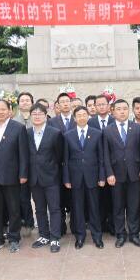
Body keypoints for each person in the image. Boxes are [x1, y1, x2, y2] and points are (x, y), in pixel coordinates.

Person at [0, 100, 29, 254]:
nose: (0, 112)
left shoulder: (18, 128)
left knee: (14, 209)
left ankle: (14, 238)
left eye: (4, 109)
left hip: (12, 176)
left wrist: (23, 173)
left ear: (10, 111)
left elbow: (23, 153)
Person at [103, 99, 140, 248]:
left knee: (134, 206)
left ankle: (134, 234)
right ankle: (120, 234)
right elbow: (105, 155)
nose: (122, 111)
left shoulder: (137, 128)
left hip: (134, 173)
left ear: (129, 111)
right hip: (116, 175)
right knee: (118, 206)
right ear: (113, 111)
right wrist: (109, 173)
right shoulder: (107, 130)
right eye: (119, 109)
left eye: (125, 109)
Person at [63, 106, 105, 249]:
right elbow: (66, 160)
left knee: (95, 208)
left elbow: (101, 158)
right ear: (74, 118)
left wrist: (101, 176)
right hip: (75, 179)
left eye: (84, 115)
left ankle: (97, 237)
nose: (81, 117)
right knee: (77, 209)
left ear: (88, 117)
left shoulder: (97, 134)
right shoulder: (68, 135)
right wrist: (67, 179)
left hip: (93, 177)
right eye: (78, 115)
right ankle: (80, 237)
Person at [28, 103, 63, 253]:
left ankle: (55, 237)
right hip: (34, 178)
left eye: (39, 113)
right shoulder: (27, 133)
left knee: (54, 209)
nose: (37, 116)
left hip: (51, 178)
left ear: (45, 115)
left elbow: (59, 155)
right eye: (34, 114)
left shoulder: (55, 133)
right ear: (30, 116)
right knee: (40, 209)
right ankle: (44, 235)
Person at [48, 93, 76, 235]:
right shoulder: (52, 122)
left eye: (67, 101)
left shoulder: (78, 119)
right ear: (57, 105)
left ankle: (76, 226)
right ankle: (60, 228)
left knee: (74, 199)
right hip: (57, 166)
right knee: (58, 199)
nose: (65, 104)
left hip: (74, 165)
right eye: (62, 102)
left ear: (71, 104)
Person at [88, 94, 115, 235]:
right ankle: (100, 225)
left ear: (109, 106)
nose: (101, 106)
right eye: (98, 104)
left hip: (113, 167)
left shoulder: (115, 120)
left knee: (112, 198)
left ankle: (112, 225)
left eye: (103, 104)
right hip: (96, 167)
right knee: (98, 199)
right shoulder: (90, 122)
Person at [13, 92, 35, 237]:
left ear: (32, 102)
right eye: (22, 100)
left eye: (28, 100)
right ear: (18, 103)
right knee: (22, 195)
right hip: (20, 164)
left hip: (37, 164)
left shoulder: (39, 118)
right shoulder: (13, 121)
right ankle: (27, 220)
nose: (25, 102)